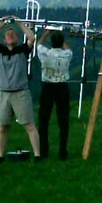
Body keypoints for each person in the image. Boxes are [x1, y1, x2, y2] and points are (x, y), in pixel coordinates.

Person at [0, 16, 41, 163]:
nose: (10, 36)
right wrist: (2, 24)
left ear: (17, 37)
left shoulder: (22, 50)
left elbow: (31, 38)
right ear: (4, 39)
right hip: (3, 94)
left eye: (13, 34)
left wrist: (19, 23)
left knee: (29, 124)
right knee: (3, 126)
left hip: (21, 93)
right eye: (8, 35)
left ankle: (37, 155)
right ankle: (0, 155)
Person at [37, 29, 73, 160]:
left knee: (43, 119)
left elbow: (39, 44)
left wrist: (46, 32)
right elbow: (68, 49)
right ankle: (63, 151)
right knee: (63, 119)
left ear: (51, 43)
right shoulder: (67, 55)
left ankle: (43, 150)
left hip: (48, 87)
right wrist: (63, 40)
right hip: (62, 87)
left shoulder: (45, 54)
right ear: (62, 42)